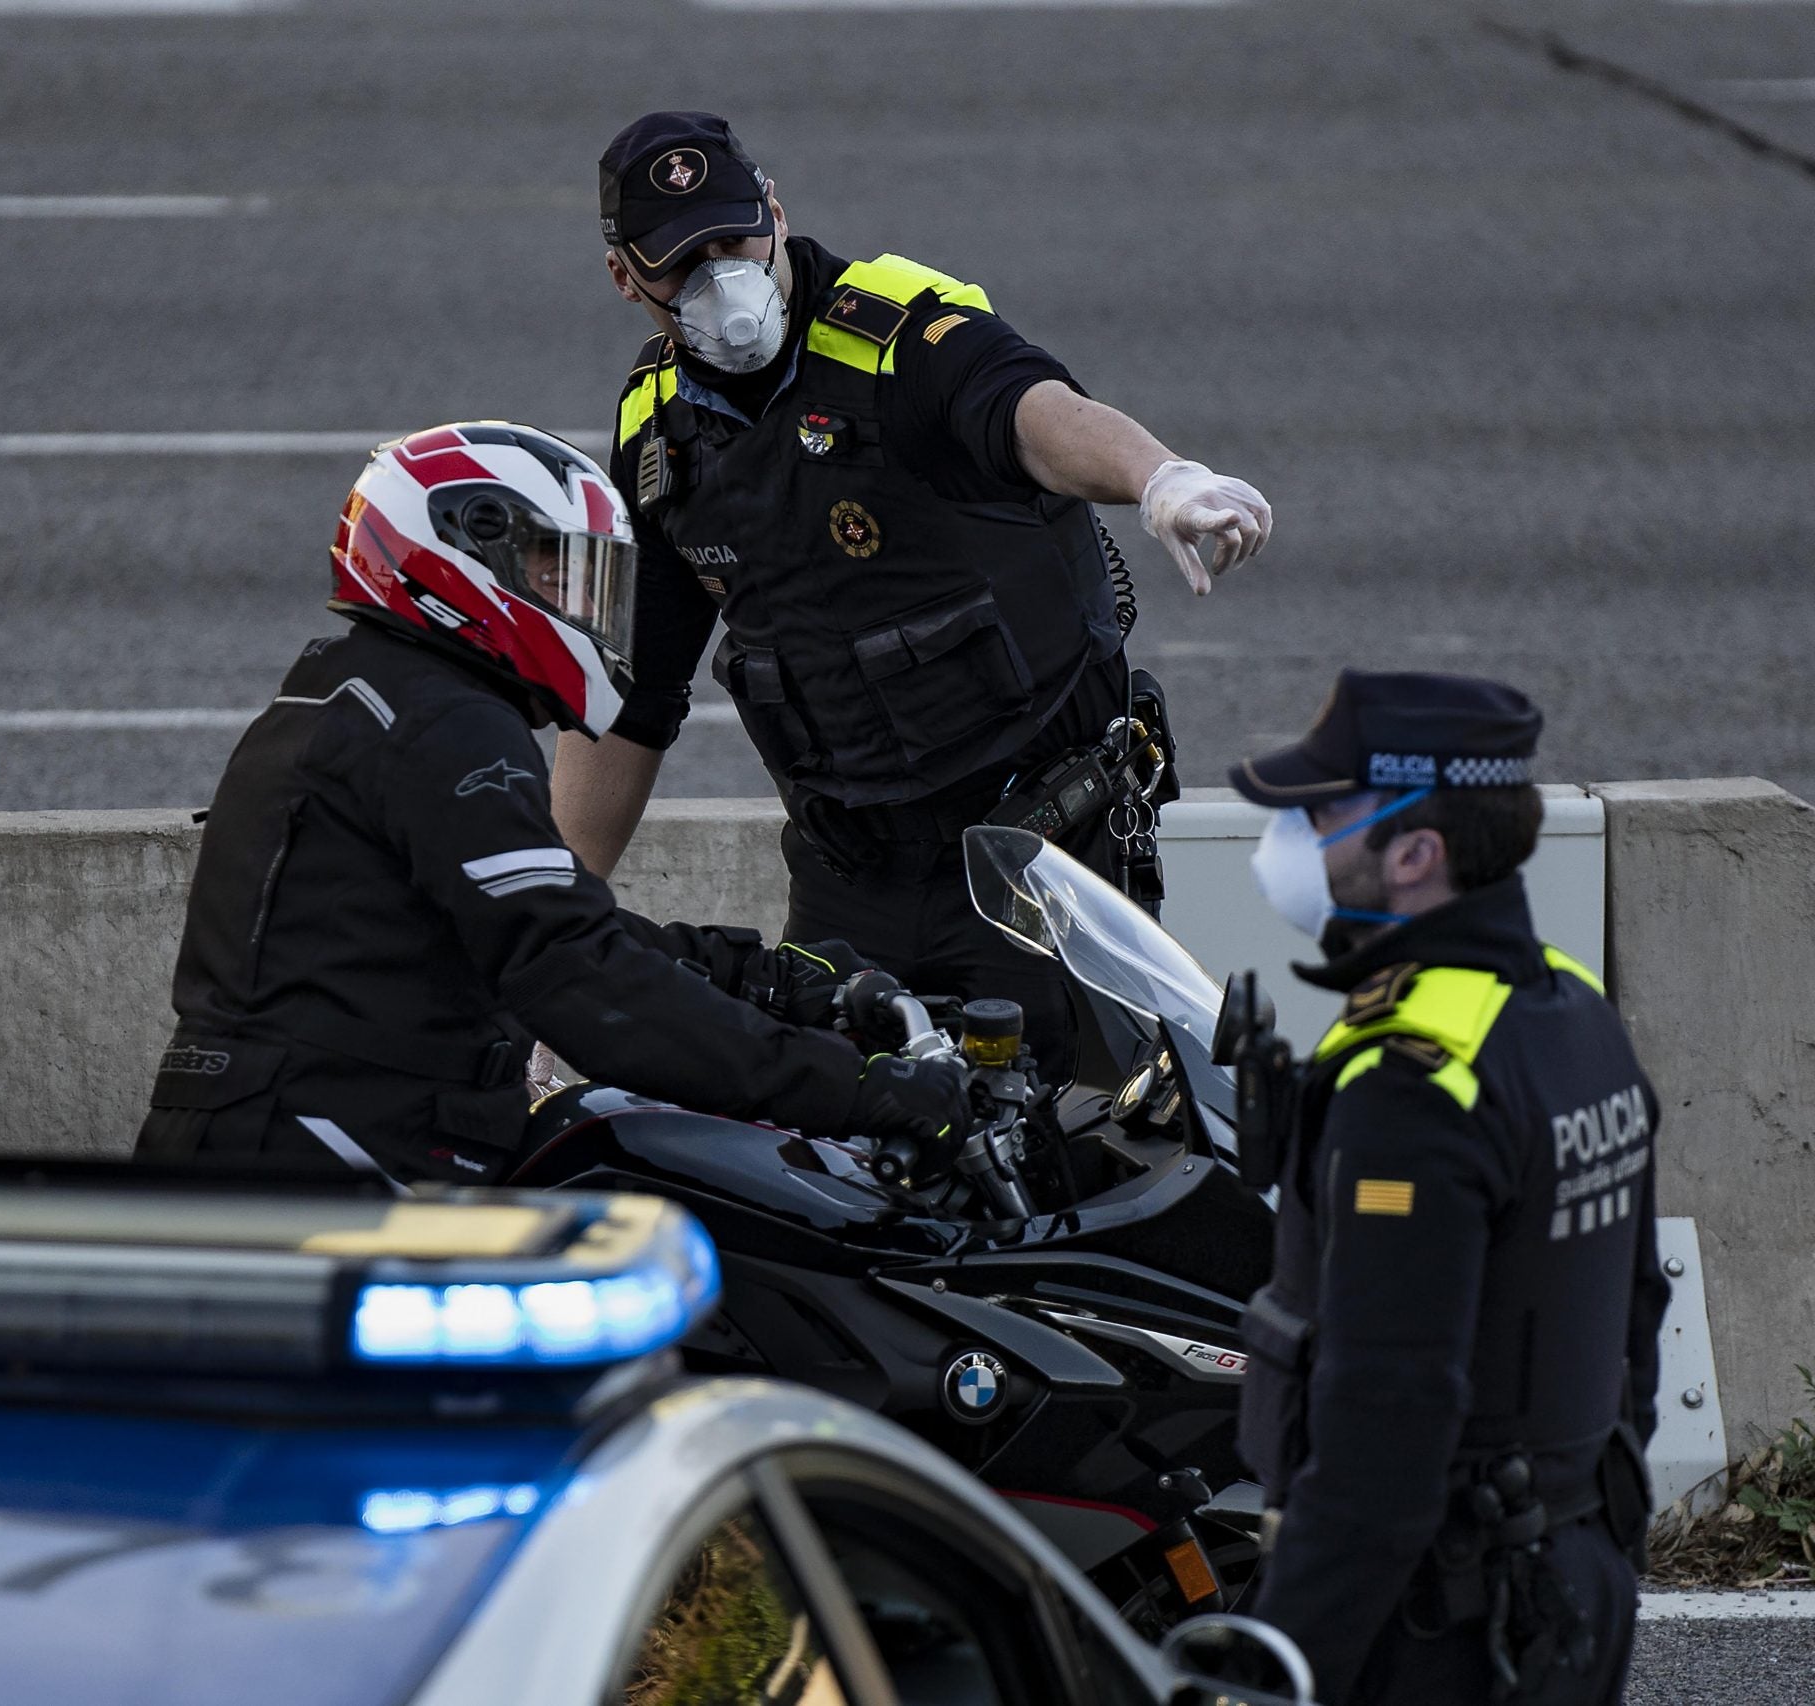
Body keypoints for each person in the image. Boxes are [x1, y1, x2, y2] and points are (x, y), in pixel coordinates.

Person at [553, 110, 1274, 1087]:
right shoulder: (657, 435)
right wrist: (549, 928)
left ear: (773, 208)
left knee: (1083, 1149)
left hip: (1035, 861)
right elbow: (625, 705)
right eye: (682, 261)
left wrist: (1157, 477)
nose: (721, 277)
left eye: (734, 237)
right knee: (849, 1163)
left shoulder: (897, 333)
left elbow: (1032, 413)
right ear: (625, 279)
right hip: (851, 881)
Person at [134, 422, 971, 1185]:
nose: (580, 606)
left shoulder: (356, 698)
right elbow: (583, 984)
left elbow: (535, 932)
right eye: (555, 573)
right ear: (460, 553)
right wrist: (862, 1090)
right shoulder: (439, 726)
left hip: (278, 1146)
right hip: (328, 1170)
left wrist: (760, 977)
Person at [1229, 672, 1669, 1706]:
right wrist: (1594, 1545)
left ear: (1414, 850)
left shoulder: (1414, 1085)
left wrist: (1274, 1667)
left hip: (1443, 1625)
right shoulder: (1568, 1007)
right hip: (1564, 1583)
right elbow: (1637, 1319)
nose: (1295, 834)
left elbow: (1384, 1435)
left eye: (1322, 811)